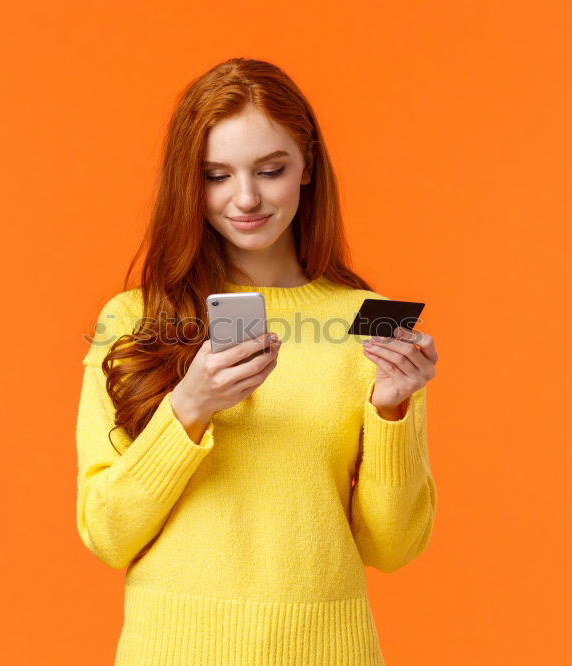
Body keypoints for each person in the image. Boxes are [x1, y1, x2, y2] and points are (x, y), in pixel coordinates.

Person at [75, 57, 439, 665]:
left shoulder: (372, 318)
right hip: (172, 650)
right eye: (216, 175)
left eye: (270, 170)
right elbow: (107, 536)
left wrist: (392, 410)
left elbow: (393, 548)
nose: (245, 199)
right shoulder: (130, 318)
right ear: (188, 182)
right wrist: (188, 407)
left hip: (329, 651)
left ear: (308, 167)